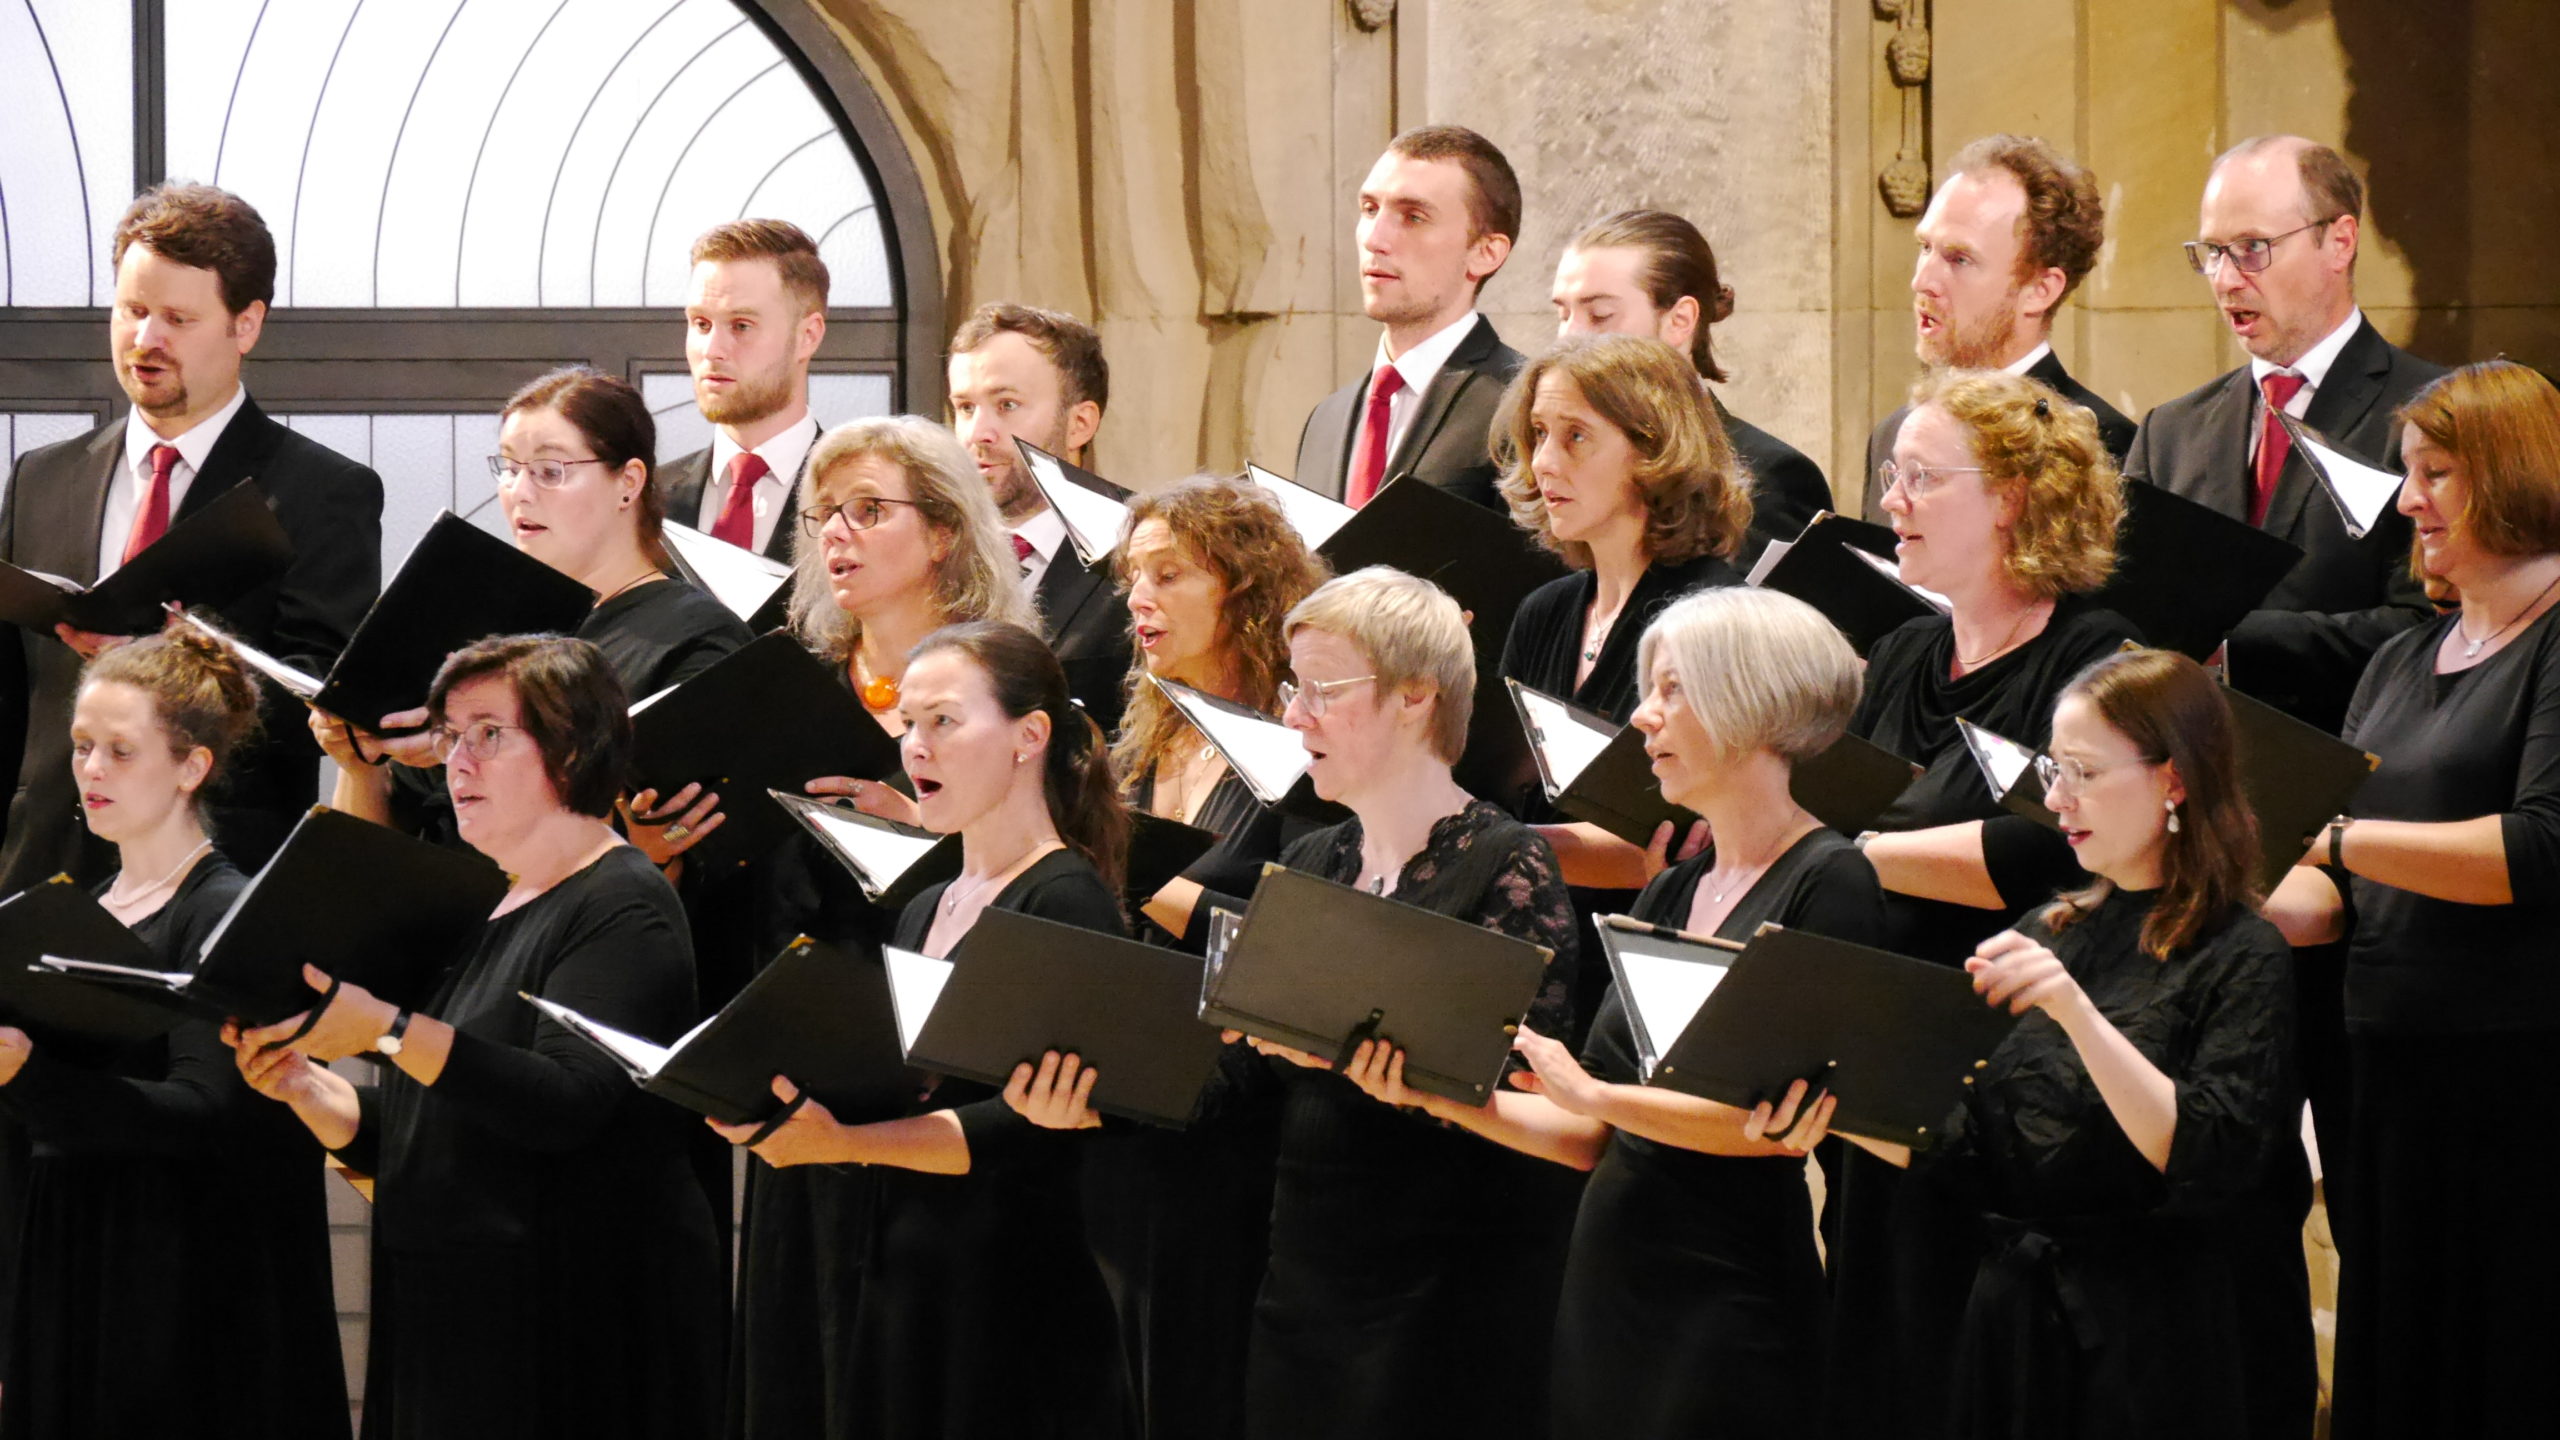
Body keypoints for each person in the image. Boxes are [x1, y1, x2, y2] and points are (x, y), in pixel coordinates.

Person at [1349, 585, 1883, 1439]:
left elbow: (1765, 1123)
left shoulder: (1831, 879)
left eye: (1673, 690)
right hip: (1611, 1278)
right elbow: (1599, 1137)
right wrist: (1433, 1092)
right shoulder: (1672, 887)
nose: (1642, 717)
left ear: (1751, 699)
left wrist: (1584, 1093)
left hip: (1728, 1294)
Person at [1773, 648, 2306, 1440]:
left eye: (2084, 772)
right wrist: (1825, 1110)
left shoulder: (2243, 950)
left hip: (2154, 1339)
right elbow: (1965, 1146)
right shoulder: (2049, 928)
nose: (2058, 800)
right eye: (2054, 771)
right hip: (2015, 1320)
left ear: (2174, 778)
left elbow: (2210, 1155)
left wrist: (2076, 1012)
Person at [231, 635, 724, 1439]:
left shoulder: (622, 900)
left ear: (572, 747)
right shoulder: (482, 910)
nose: (458, 762)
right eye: (451, 736)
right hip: (458, 1315)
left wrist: (390, 1031)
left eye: (489, 734)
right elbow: (445, 1128)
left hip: (569, 1325)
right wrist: (312, 1093)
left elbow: (565, 1104)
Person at [712, 620, 1136, 1439]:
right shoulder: (921, 906)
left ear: (1030, 736)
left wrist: (842, 1143)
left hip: (1011, 1310)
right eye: (908, 724)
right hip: (907, 1278)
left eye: (944, 720)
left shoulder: (1063, 899)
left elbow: (1030, 1126)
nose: (916, 747)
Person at [1830, 367, 2140, 1440]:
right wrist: (1873, 852)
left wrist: (1868, 853)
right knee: (1883, 1347)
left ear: (2007, 496)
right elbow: (1832, 820)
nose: (1891, 503)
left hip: (2011, 1061)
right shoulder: (1902, 654)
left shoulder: (2093, 656)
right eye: (1889, 476)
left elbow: (2047, 848)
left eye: (1918, 478)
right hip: (1883, 1039)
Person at [2263, 360, 2560, 1440]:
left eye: (2436, 474)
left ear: (2515, 479)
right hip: (2381, 1064)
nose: (2409, 502)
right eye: (2408, 473)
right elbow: (2332, 888)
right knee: (2396, 1353)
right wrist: (2222, 902)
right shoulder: (2398, 655)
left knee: (2503, 1353)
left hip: (2516, 1075)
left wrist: (2336, 836)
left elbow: (2538, 847)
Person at [1232, 566, 1583, 1439]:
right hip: (1306, 1272)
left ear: (1416, 695)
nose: (1293, 716)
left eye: (1322, 691)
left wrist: (1414, 1081)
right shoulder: (1315, 864)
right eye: (1292, 689)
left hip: (1445, 1287)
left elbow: (1541, 1101)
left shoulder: (1506, 862)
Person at [0, 629, 345, 1438]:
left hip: (180, 1282)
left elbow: (207, 1113)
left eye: (122, 751)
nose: (90, 770)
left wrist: (29, 1077)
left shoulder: (225, 910)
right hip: (75, 1254)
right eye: (83, 746)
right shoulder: (74, 907)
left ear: (191, 767)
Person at [0, 181, 382, 892]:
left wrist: (169, 670)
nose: (146, 340)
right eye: (132, 311)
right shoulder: (41, 479)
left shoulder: (321, 490)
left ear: (246, 325)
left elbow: (323, 700)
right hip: (42, 870)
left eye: (177, 318)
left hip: (221, 874)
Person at [1075, 474, 1327, 1437]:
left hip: (1234, 1123)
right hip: (1124, 1100)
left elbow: (1289, 930)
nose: (1138, 598)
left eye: (1168, 574)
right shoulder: (1137, 748)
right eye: (1130, 575)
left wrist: (1154, 890)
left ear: (1246, 590)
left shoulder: (1301, 751)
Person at [317, 367, 751, 849]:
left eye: (549, 471)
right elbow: (367, 859)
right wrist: (359, 765)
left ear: (628, 481)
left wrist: (455, 749)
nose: (519, 492)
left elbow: (666, 846)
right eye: (509, 468)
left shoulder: (695, 638)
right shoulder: (479, 630)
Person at [2126, 136, 2441, 735]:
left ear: (2339, 242)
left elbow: (2432, 623)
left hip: (2356, 771)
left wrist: (2229, 645)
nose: (2225, 280)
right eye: (2212, 252)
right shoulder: (2170, 431)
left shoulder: (2431, 412)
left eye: (2252, 248)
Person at [1491, 333, 1753, 1024]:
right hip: (1528, 951)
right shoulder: (1545, 611)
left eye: (1577, 437)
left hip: (1641, 974)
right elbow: (1502, 793)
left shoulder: (1711, 614)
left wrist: (1490, 849)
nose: (1544, 461)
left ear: (1653, 451)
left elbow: (1668, 845)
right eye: (1539, 434)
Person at [1861, 135, 2136, 520]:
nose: (1923, 281)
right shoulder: (1892, 433)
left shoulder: (2103, 444)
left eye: (1959, 259)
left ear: (2040, 290)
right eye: (1926, 248)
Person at [1550, 208, 1831, 549]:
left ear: (1680, 320)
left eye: (1600, 315)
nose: (1569, 337)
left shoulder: (1769, 476)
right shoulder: (1552, 461)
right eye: (1564, 314)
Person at [1294, 125, 1525, 510]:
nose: (1374, 238)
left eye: (1413, 217)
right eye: (1369, 209)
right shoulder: (1326, 419)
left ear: (1486, 252)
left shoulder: (1519, 403)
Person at [947, 302, 1133, 733]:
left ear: (1079, 424)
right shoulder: (929, 546)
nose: (978, 434)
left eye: (1007, 405)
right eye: (965, 408)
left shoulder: (1144, 548)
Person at [656, 219, 829, 562]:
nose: (712, 350)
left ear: (807, 337)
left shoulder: (858, 503)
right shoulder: (648, 504)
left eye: (741, 326)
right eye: (701, 324)